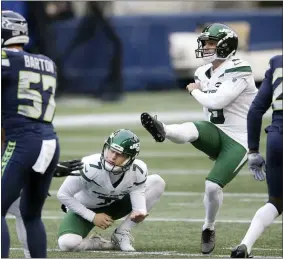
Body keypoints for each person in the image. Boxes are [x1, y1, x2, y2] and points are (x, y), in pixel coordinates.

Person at [140, 23, 258, 255]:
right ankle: (163, 129)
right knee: (193, 129)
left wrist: (194, 90)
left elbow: (216, 102)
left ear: (226, 47)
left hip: (240, 139)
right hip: (215, 131)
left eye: (211, 43)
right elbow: (209, 108)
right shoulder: (202, 72)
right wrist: (198, 90)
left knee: (212, 187)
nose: (205, 48)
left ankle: (208, 226)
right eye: (205, 43)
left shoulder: (240, 68)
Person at [1, 10, 60, 258]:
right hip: (50, 141)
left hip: (23, 141)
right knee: (31, 214)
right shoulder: (47, 62)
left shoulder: (5, 60)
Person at [56, 129, 165, 252]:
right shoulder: (89, 165)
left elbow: (138, 190)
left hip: (115, 204)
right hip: (85, 208)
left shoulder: (138, 169)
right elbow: (63, 194)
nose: (112, 157)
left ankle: (122, 233)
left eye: (120, 154)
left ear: (130, 158)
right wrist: (92, 217)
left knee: (157, 182)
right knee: (67, 243)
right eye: (111, 150)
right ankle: (100, 244)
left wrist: (139, 210)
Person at [230, 55, 283, 258]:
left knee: (276, 202)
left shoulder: (278, 62)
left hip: (277, 139)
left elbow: (256, 109)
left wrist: (253, 151)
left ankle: (245, 245)